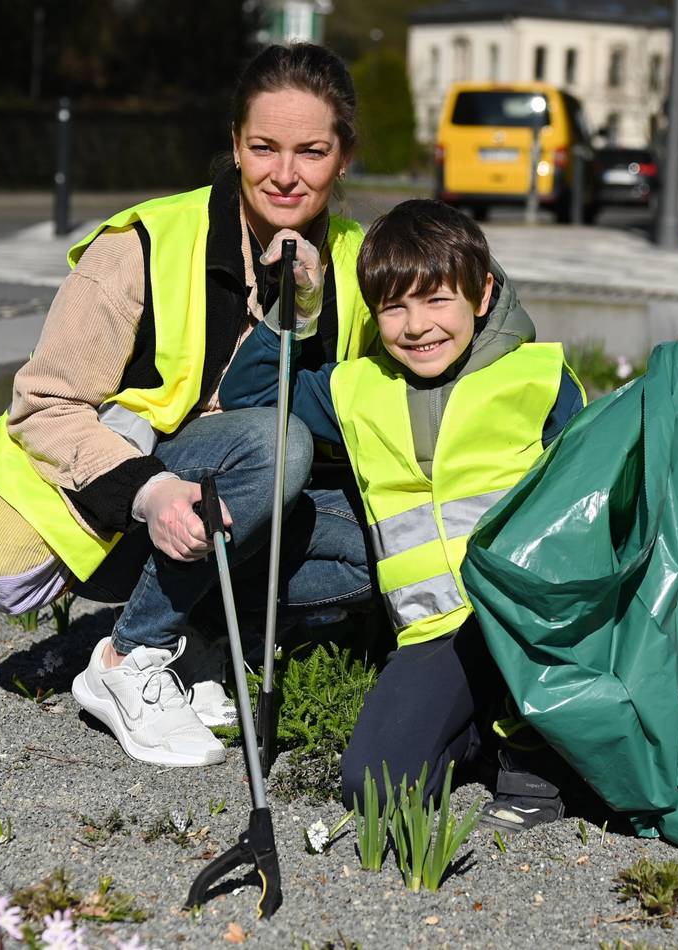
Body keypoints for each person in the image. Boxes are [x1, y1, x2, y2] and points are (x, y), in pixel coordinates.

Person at [0, 43, 378, 769]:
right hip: (115, 514)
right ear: (235, 144)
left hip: (231, 507)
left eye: (312, 151)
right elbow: (43, 407)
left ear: (344, 157)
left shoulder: (358, 260)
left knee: (378, 546)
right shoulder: (145, 245)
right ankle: (128, 657)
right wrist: (152, 491)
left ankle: (200, 635)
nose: (285, 174)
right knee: (278, 445)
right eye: (264, 147)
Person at [220, 198, 585, 831]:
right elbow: (251, 393)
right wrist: (297, 304)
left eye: (437, 300)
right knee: (373, 789)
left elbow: (593, 501)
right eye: (394, 306)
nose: (417, 326)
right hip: (433, 634)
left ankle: (530, 749)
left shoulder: (542, 377)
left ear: (482, 292)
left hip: (532, 625)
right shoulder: (356, 388)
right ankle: (477, 735)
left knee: (600, 760)